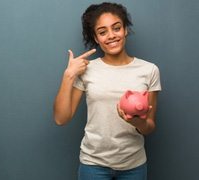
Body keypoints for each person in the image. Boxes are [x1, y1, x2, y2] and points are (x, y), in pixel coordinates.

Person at [53, 2, 162, 180]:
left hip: (133, 165)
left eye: (116, 28)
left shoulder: (149, 70)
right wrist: (69, 75)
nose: (111, 36)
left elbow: (149, 127)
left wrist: (135, 121)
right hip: (93, 165)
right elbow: (61, 118)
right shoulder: (86, 69)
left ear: (125, 29)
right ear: (96, 38)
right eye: (103, 32)